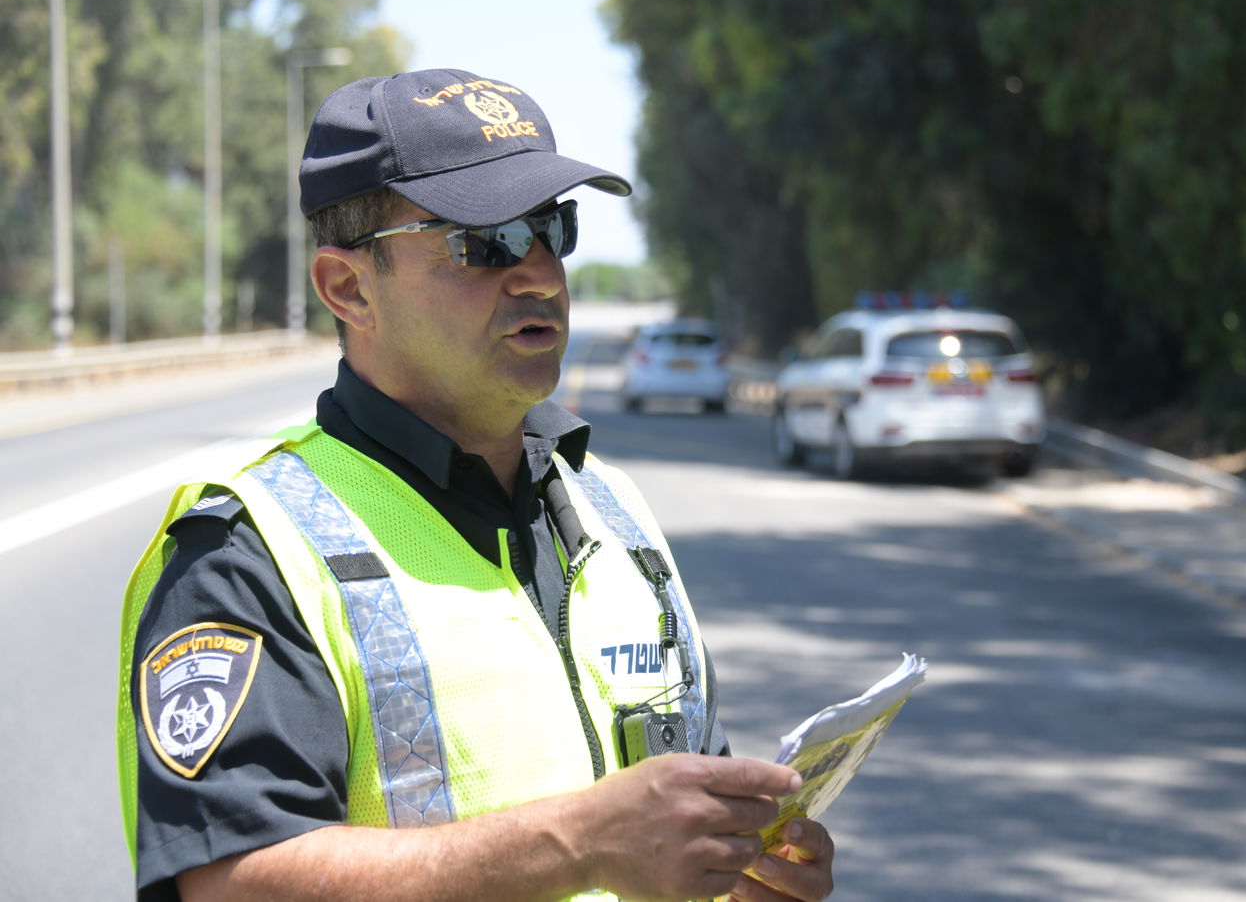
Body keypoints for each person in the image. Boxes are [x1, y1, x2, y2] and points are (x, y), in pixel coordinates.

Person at [115, 67, 835, 902]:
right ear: (349, 288)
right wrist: (580, 842)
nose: (537, 274)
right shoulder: (252, 551)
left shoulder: (612, 507)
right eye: (481, 240)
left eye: (549, 228)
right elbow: (228, 884)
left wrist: (743, 870)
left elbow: (680, 807)